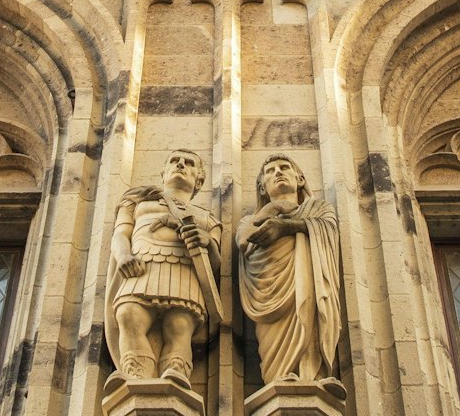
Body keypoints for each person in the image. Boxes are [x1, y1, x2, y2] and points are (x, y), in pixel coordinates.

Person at [107, 150, 221, 385]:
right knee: (128, 314)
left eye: (189, 163)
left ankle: (175, 378)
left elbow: (216, 264)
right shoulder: (137, 202)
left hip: (183, 272)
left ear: (199, 180)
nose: (180, 165)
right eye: (174, 161)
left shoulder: (208, 219)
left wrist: (207, 242)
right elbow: (120, 234)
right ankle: (136, 377)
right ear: (163, 172)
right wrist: (124, 256)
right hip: (141, 266)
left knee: (179, 325)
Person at [237, 155, 342, 385]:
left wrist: (285, 226)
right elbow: (243, 241)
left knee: (310, 317)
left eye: (284, 167)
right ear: (262, 187)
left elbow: (328, 229)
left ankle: (313, 377)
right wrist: (273, 209)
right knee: (273, 347)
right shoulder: (250, 220)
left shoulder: (319, 208)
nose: (278, 172)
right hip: (269, 290)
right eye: (270, 171)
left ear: (300, 179)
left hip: (308, 282)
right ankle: (279, 377)